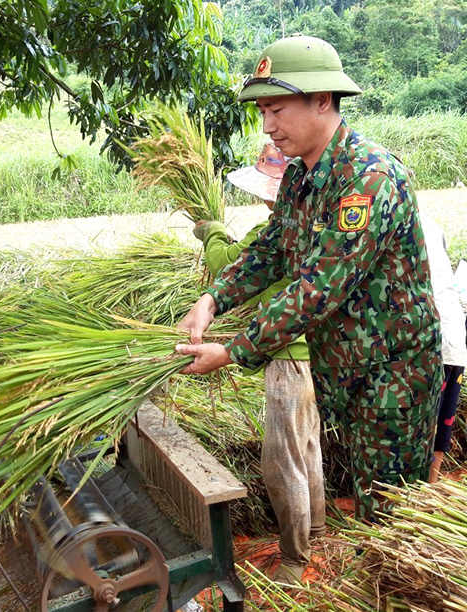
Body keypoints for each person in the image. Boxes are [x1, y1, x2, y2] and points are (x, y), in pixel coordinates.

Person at [177, 34, 442, 527]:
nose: (267, 126)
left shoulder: (369, 178)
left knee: (392, 519)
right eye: (262, 112)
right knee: (372, 510)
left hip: (393, 380)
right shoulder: (301, 176)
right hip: (349, 370)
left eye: (276, 109)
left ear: (322, 100)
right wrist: (213, 297)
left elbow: (319, 287)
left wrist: (233, 350)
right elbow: (273, 249)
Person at [194, 141, 324, 583]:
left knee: (280, 461)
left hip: (288, 357)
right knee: (307, 448)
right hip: (318, 354)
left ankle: (293, 559)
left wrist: (210, 231)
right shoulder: (309, 225)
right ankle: (318, 533)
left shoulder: (275, 231)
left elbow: (228, 263)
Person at [419, 214, 467, 482]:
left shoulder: (398, 223)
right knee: (443, 420)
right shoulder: (432, 225)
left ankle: (418, 492)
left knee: (423, 423)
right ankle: (432, 486)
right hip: (454, 337)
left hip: (431, 339)